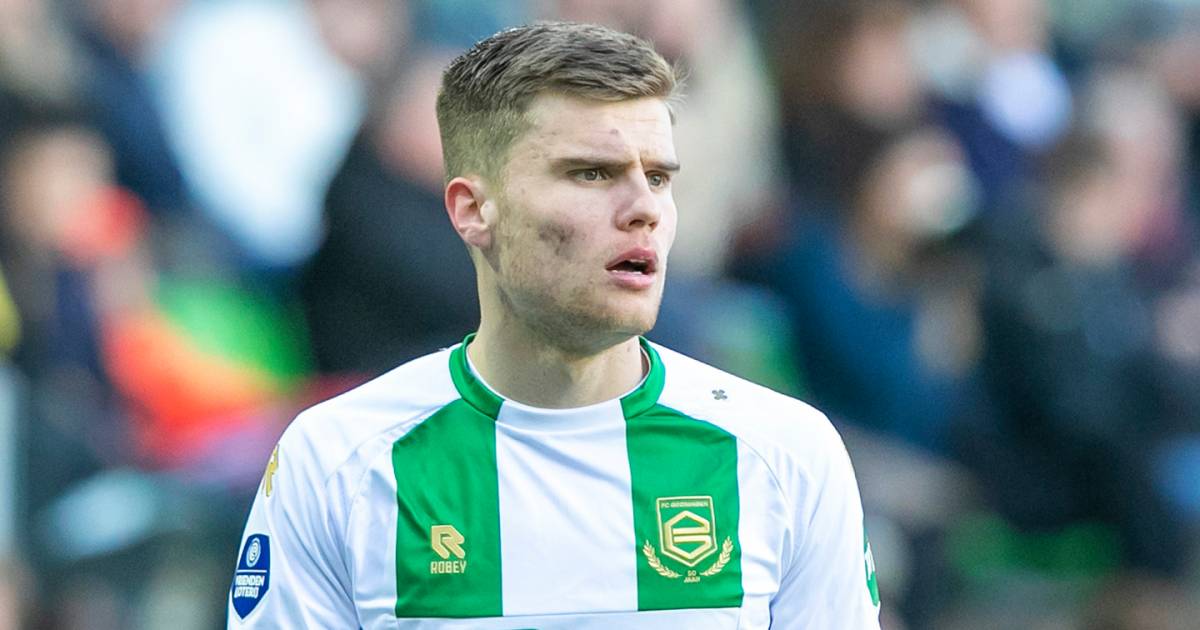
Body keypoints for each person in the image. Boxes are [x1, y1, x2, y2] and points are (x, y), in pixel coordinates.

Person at [228, 22, 881, 628]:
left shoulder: (785, 455)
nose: (645, 209)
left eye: (658, 177)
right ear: (473, 210)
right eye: (591, 173)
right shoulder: (338, 462)